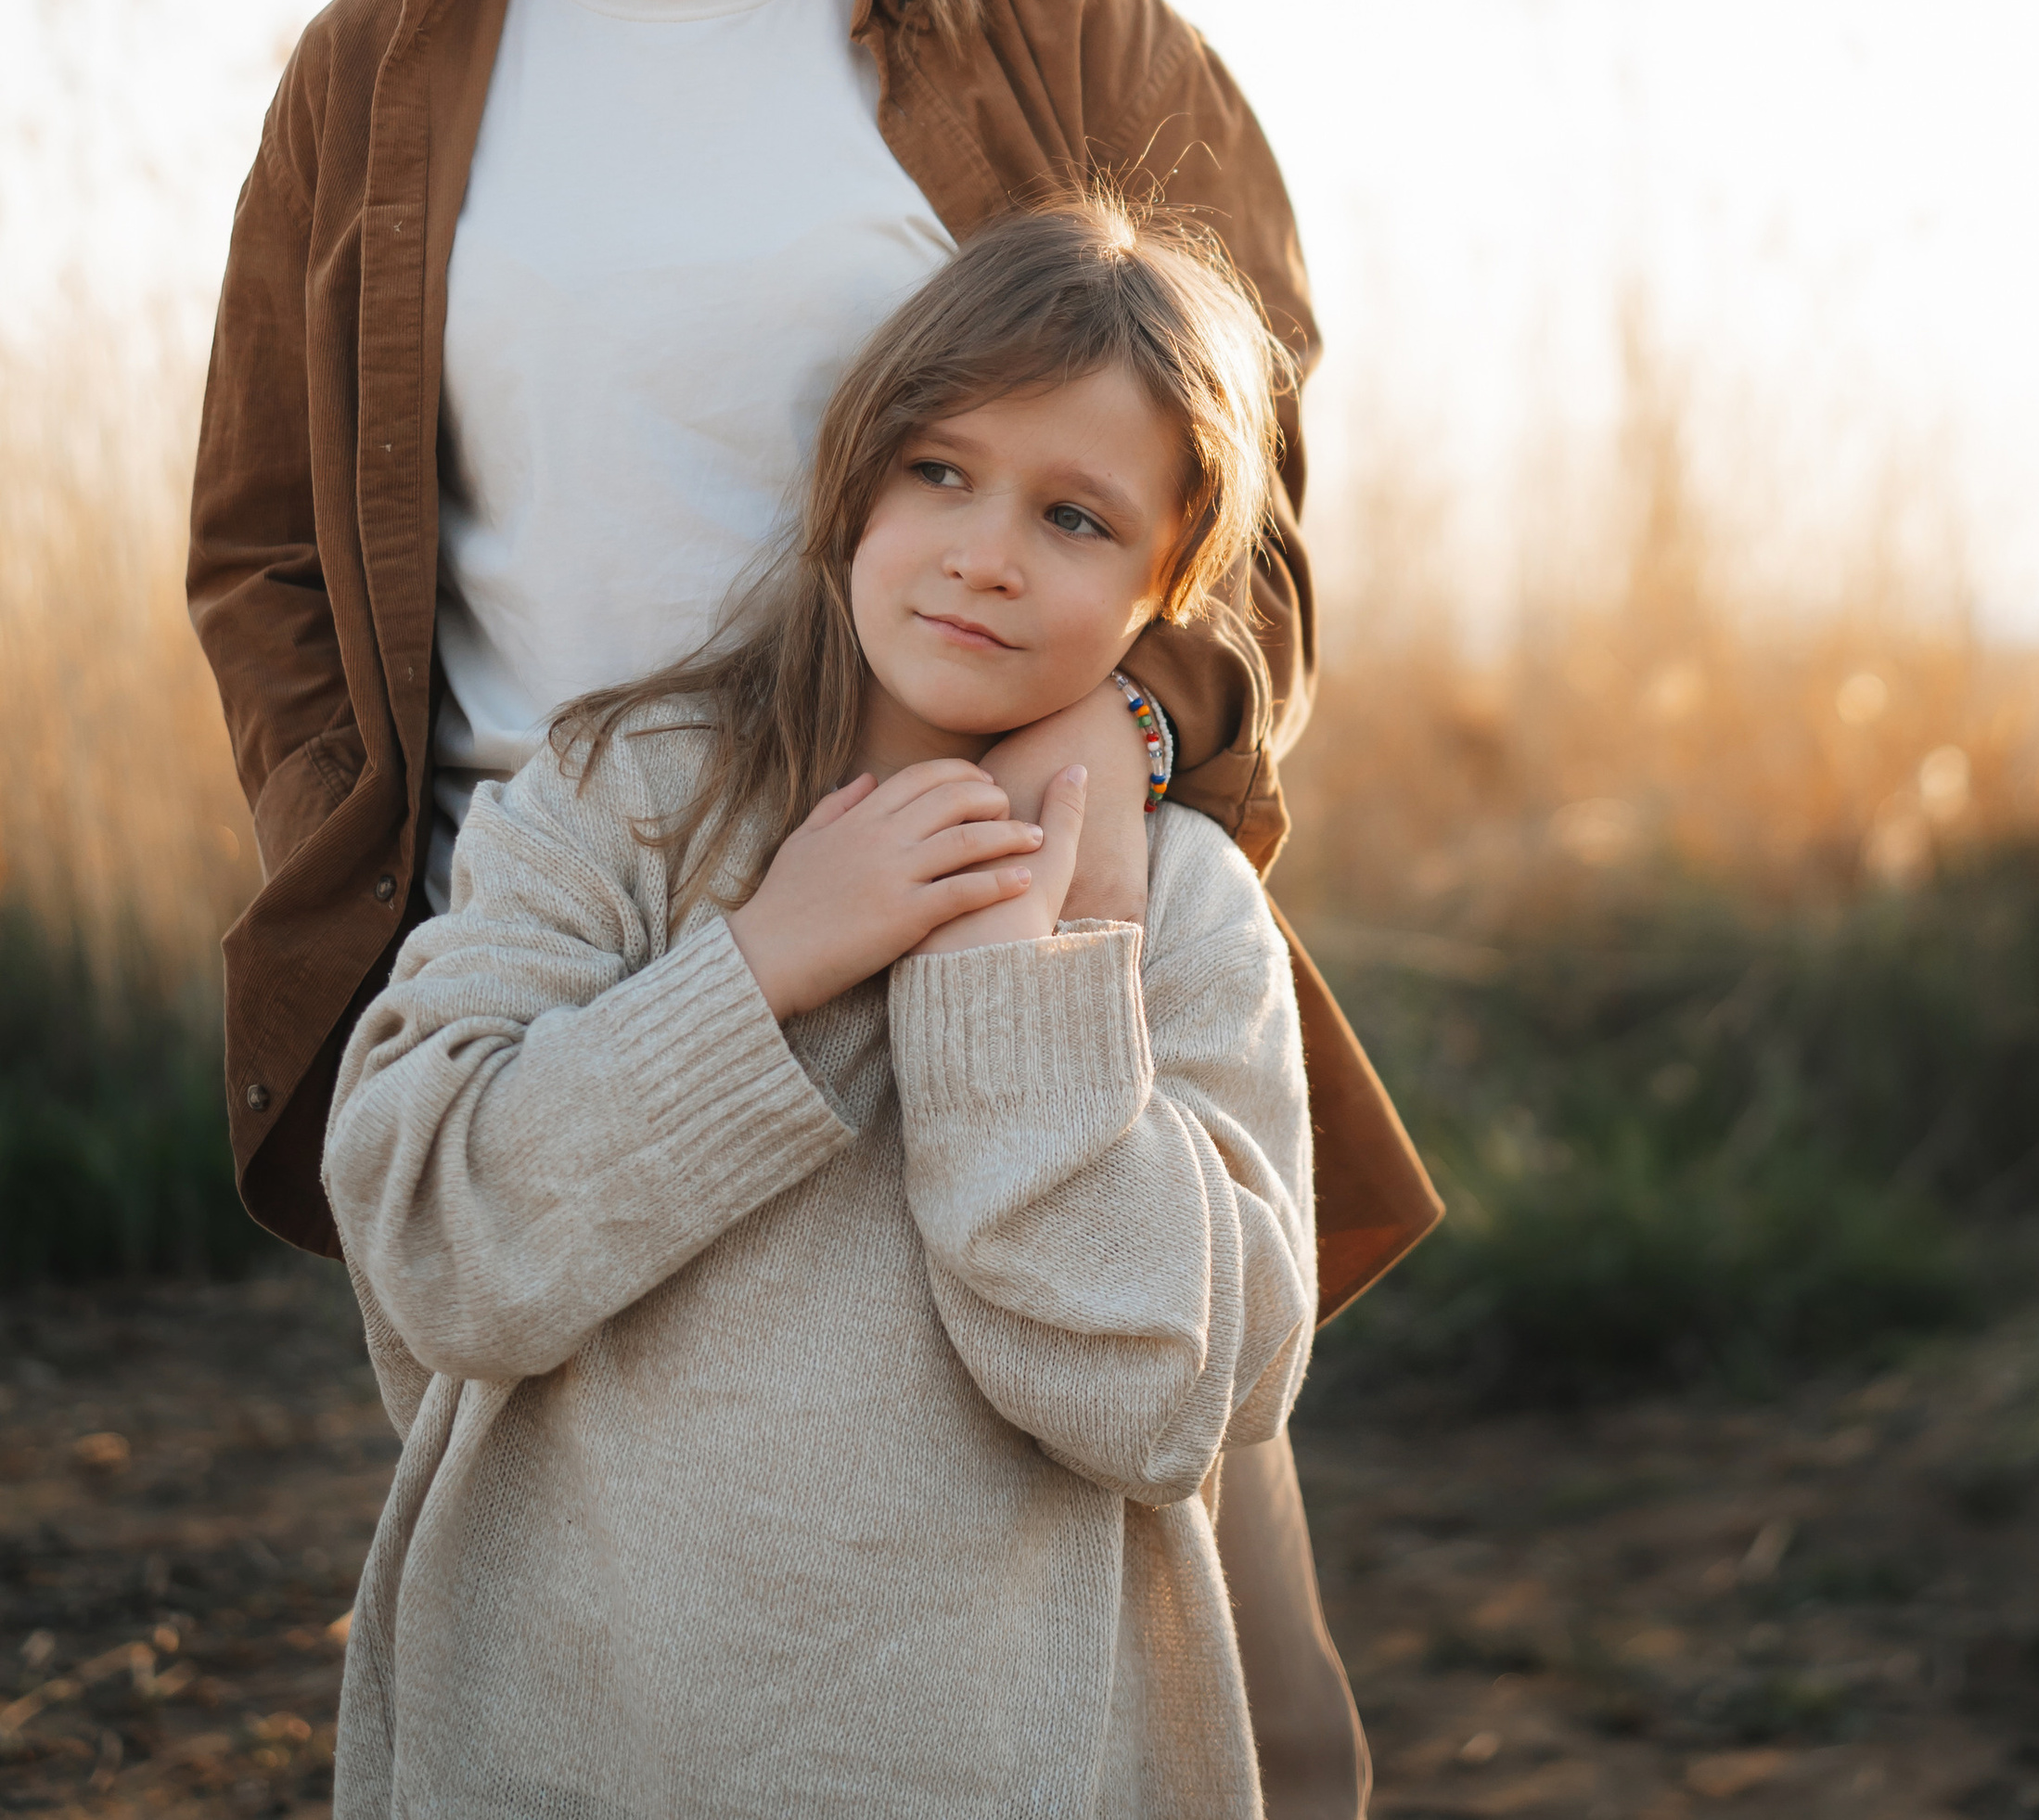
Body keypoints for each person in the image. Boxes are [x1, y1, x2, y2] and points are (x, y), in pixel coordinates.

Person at [187, 0, 1438, 1814]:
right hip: (576, 959)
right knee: (590, 1682)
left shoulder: (1057, 27)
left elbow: (1250, 506)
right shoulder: (387, 60)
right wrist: (398, 887)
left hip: (1003, 919)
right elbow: (262, 550)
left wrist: (1125, 743)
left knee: (1218, 1706)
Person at [326, 202, 1317, 1819]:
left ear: (1166, 584)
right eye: (940, 471)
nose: (986, 553)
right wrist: (766, 960)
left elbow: (1172, 1399)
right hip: (587, 1735)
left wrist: (1012, 992)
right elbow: (431, 1240)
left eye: (1075, 517)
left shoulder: (1182, 909)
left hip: (1000, 1759)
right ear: (853, 481)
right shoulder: (620, 802)